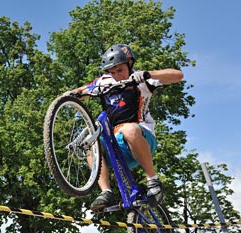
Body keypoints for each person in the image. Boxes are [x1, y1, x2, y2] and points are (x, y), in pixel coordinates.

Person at [68, 43, 184, 211]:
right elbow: (81, 91)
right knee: (89, 142)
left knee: (129, 129)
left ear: (130, 64)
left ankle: (153, 180)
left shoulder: (141, 79)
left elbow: (178, 75)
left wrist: (147, 74)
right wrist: (65, 97)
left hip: (141, 138)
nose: (116, 76)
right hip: (116, 146)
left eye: (120, 70)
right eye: (112, 72)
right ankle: (106, 192)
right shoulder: (104, 81)